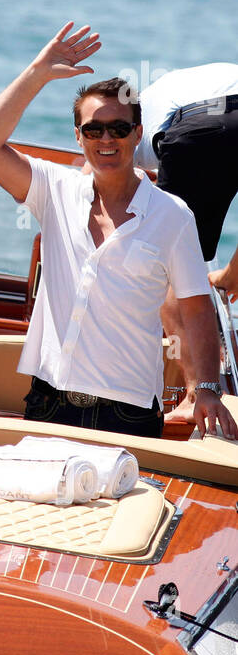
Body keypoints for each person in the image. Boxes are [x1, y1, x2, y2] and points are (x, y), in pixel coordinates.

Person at [0, 22, 237, 440]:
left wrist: (205, 389)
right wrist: (38, 72)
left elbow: (196, 306)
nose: (106, 138)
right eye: (94, 129)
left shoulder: (173, 215)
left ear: (139, 134)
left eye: (119, 128)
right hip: (48, 399)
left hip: (128, 413)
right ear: (78, 137)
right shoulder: (53, 190)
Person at [133, 63, 238, 421]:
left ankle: (198, 394)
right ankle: (230, 278)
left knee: (170, 264)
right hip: (216, 115)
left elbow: (93, 189)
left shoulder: (122, 135)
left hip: (202, 126)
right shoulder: (169, 89)